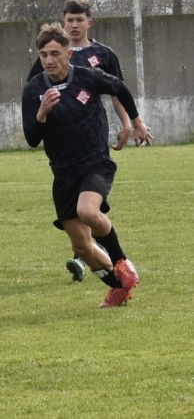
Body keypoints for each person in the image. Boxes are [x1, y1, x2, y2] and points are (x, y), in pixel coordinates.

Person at [22, 23, 151, 308]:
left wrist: (136, 122)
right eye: (44, 54)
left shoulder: (88, 77)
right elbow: (32, 138)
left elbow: (118, 87)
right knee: (81, 246)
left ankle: (121, 262)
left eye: (55, 53)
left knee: (87, 210)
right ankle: (119, 287)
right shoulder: (34, 89)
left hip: (95, 163)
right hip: (63, 174)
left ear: (69, 53)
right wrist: (41, 113)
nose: (49, 60)